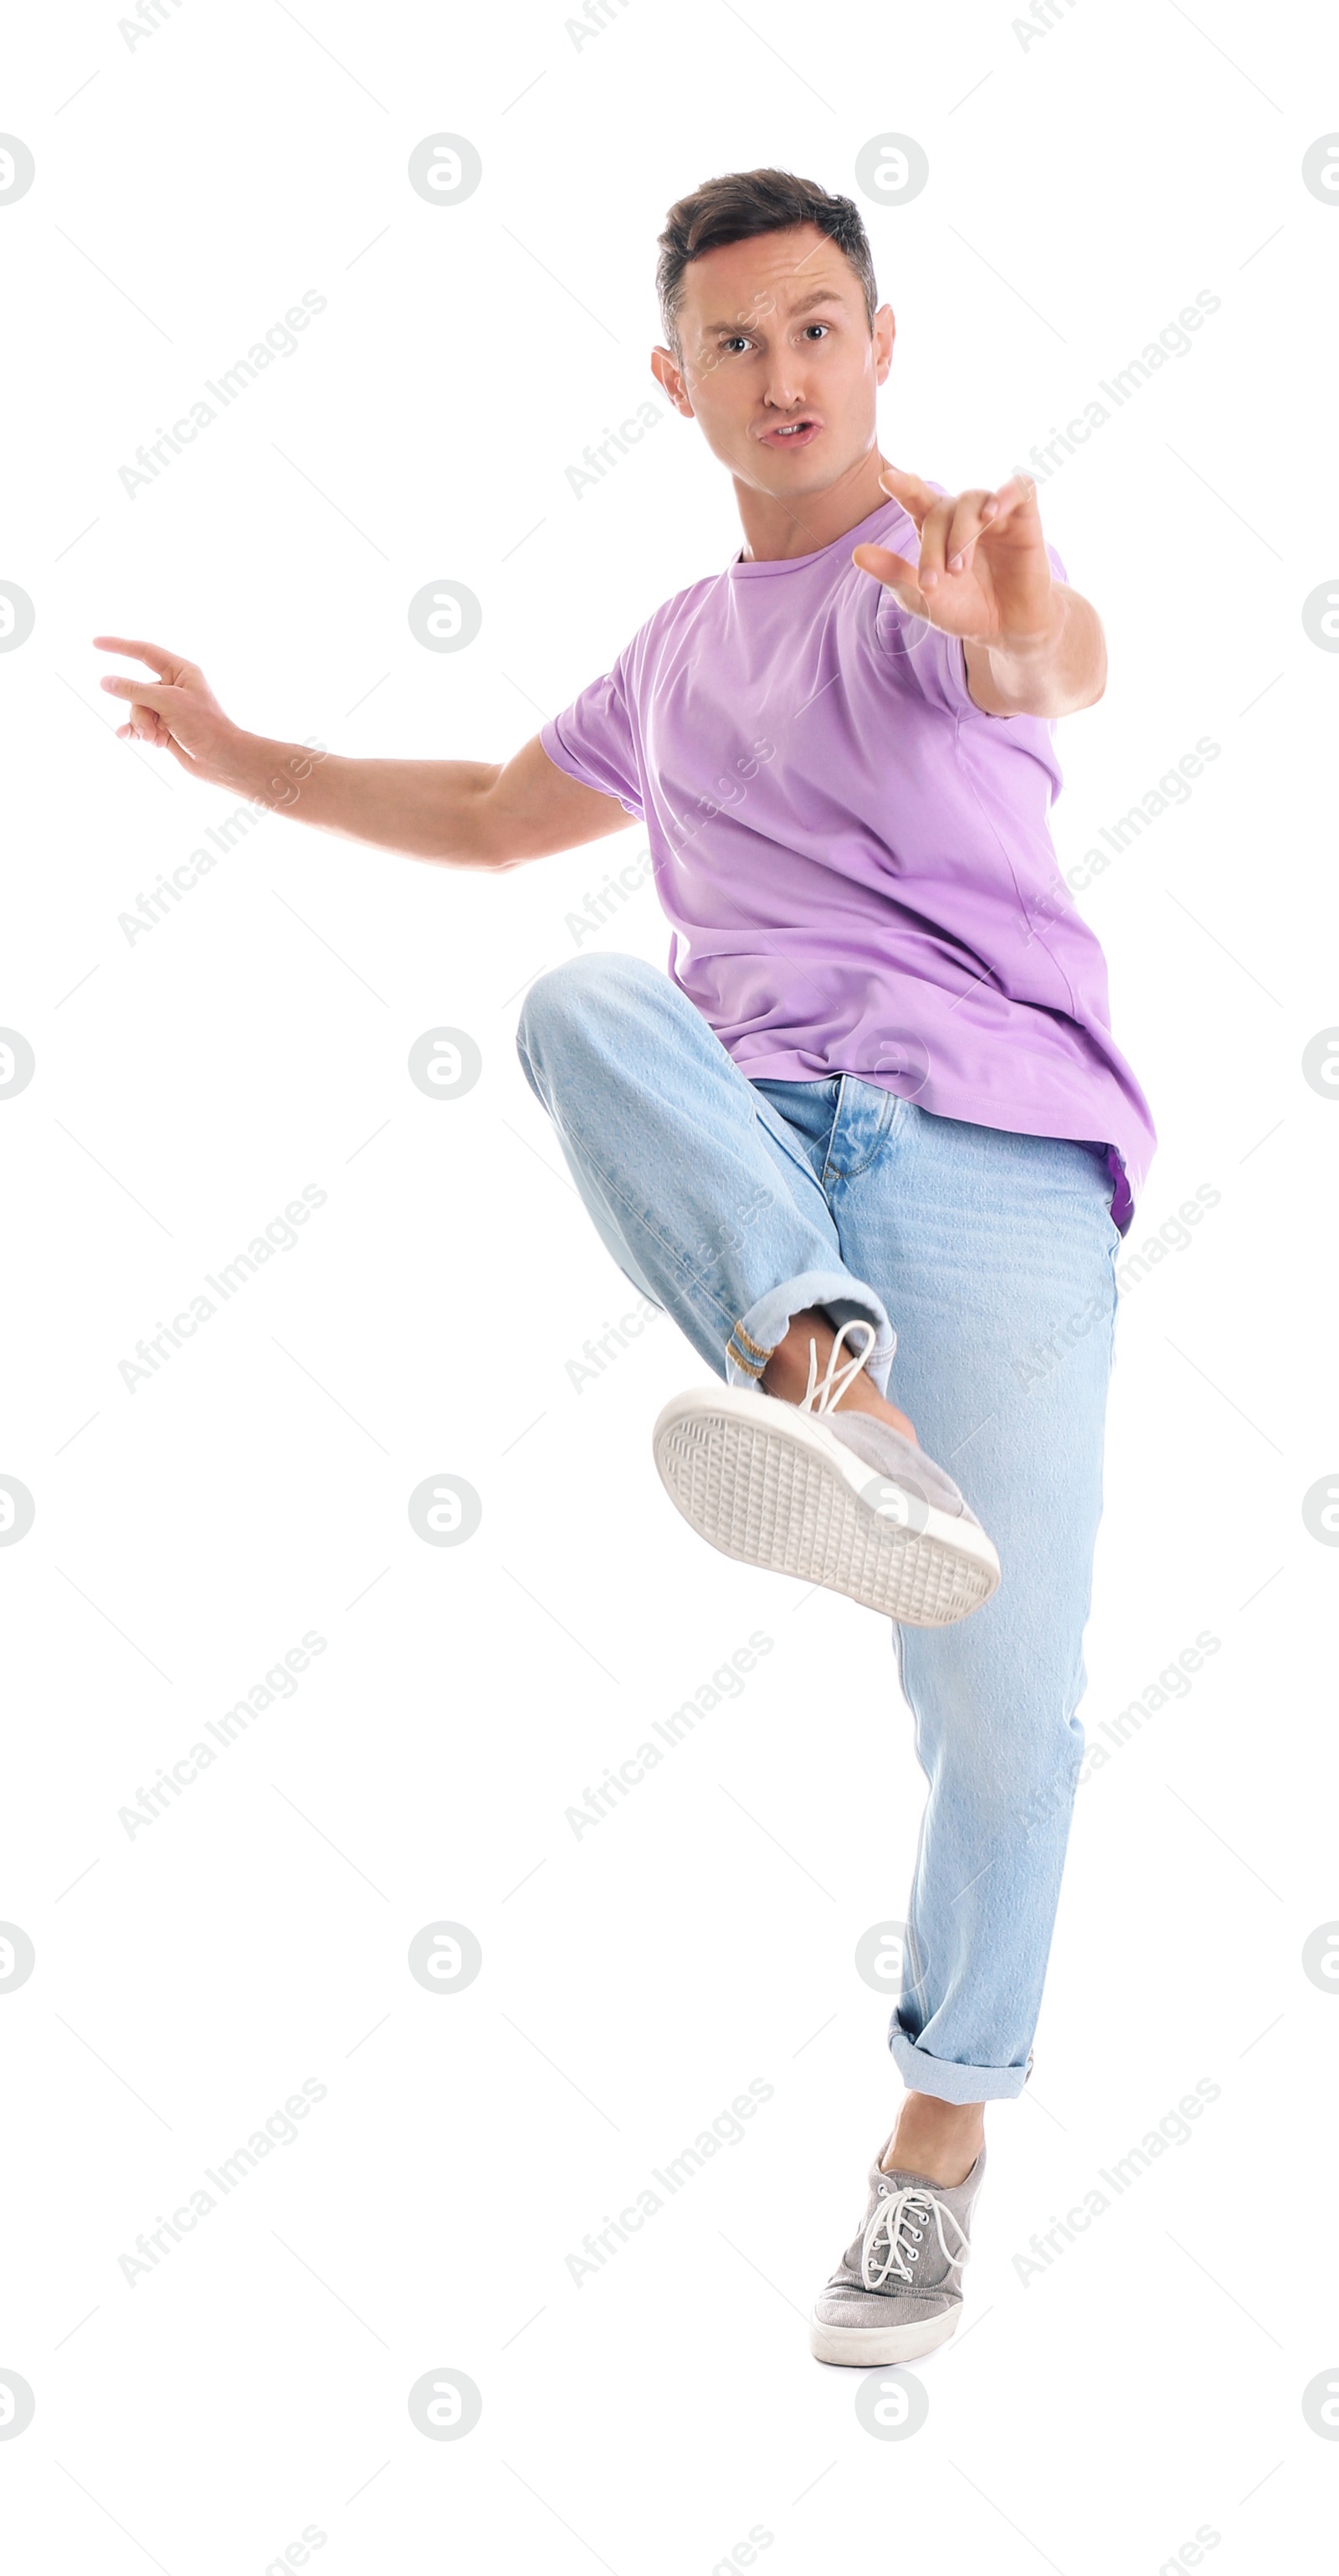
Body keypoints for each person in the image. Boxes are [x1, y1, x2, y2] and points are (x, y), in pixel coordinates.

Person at [95, 165, 1156, 2368]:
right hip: (763, 1148)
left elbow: (1045, 659)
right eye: (738, 340)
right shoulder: (680, 659)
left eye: (821, 327)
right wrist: (232, 750)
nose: (786, 373)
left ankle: (937, 2149)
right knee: (587, 1003)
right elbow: (495, 815)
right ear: (671, 383)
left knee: (1009, 1715)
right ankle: (819, 1372)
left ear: (883, 347)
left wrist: (1019, 618)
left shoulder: (929, 573)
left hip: (990, 1155)